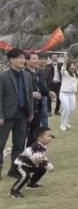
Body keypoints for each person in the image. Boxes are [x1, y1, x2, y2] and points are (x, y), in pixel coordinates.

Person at [0, 48, 34, 179]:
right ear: (11, 60)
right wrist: (1, 116)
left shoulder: (27, 76)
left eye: (24, 58)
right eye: (20, 58)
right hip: (6, 117)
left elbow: (29, 96)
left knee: (19, 144)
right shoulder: (3, 76)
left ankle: (14, 170)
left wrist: (30, 112)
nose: (23, 60)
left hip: (22, 116)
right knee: (1, 144)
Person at [10, 126, 55, 198]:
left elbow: (42, 157)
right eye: (48, 136)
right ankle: (14, 191)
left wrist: (46, 163)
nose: (51, 138)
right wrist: (48, 165)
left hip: (29, 165)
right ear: (40, 138)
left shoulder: (42, 146)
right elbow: (37, 158)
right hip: (20, 165)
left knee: (42, 169)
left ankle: (31, 183)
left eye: (51, 136)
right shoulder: (36, 147)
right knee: (25, 176)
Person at [25, 53, 54, 145]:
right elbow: (18, 91)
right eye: (33, 59)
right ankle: (21, 155)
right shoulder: (23, 74)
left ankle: (31, 153)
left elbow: (42, 87)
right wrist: (31, 94)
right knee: (23, 134)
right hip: (25, 108)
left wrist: (48, 92)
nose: (36, 61)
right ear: (27, 60)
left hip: (37, 107)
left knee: (34, 133)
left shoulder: (39, 73)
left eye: (37, 59)